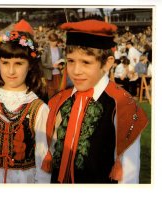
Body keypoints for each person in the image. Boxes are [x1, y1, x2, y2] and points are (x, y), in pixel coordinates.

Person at [41, 19, 148, 183]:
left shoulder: (122, 106)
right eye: (70, 61)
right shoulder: (58, 102)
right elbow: (47, 160)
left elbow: (128, 175)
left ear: (107, 63)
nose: (76, 71)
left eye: (86, 62)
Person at [0, 31, 51, 183]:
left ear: (30, 65)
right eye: (5, 63)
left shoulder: (39, 108)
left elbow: (43, 158)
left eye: (18, 63)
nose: (11, 71)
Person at [41, 32, 65, 99]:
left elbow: (63, 59)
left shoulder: (59, 49)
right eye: (52, 41)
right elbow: (43, 63)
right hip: (50, 76)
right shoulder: (46, 50)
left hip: (58, 74)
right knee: (51, 94)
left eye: (55, 41)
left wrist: (61, 65)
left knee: (59, 92)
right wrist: (52, 66)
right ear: (49, 41)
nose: (54, 43)